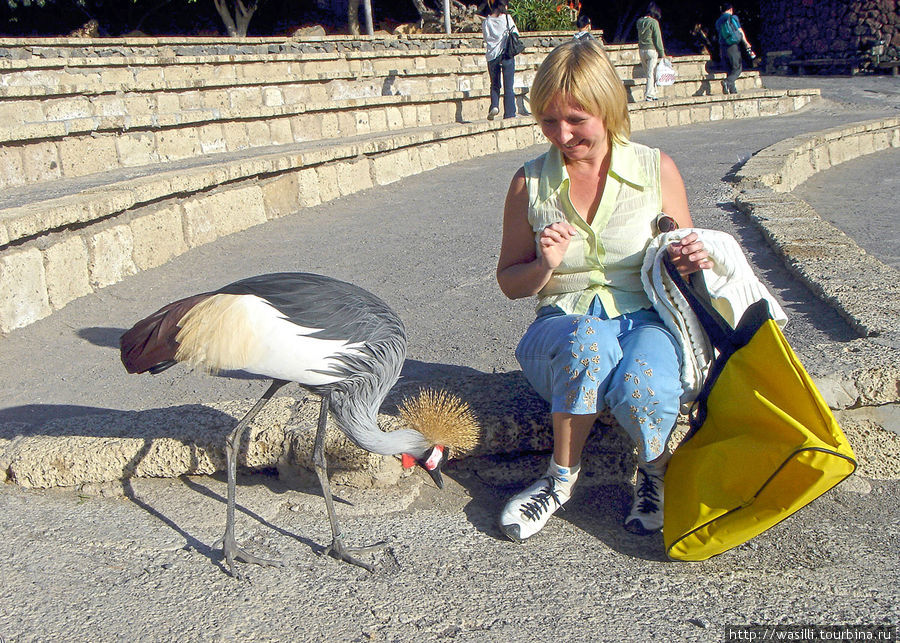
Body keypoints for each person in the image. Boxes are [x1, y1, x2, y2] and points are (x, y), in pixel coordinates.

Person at [495, 38, 711, 543]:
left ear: (607, 108)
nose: (563, 135)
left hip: (646, 317)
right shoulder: (529, 183)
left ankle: (654, 473)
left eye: (576, 119)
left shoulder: (656, 169)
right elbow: (510, 282)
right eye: (549, 121)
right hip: (562, 327)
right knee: (589, 340)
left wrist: (690, 259)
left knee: (647, 385)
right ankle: (559, 480)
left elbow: (683, 260)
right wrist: (545, 265)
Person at [482, 0, 520, 120]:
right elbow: (515, 33)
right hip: (506, 55)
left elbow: (486, 38)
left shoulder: (486, 21)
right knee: (508, 86)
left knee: (495, 84)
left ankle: (494, 105)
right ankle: (509, 113)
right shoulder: (507, 18)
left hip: (492, 56)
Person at [716, 3, 752, 94]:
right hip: (732, 46)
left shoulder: (718, 21)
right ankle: (727, 82)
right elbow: (739, 30)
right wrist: (746, 43)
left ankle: (732, 90)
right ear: (731, 9)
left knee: (729, 69)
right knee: (737, 68)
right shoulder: (732, 18)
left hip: (722, 47)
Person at [635, 2, 667, 101]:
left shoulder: (639, 22)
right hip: (651, 50)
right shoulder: (654, 23)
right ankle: (649, 94)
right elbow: (657, 39)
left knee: (648, 73)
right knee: (650, 73)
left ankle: (653, 92)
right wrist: (662, 53)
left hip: (642, 50)